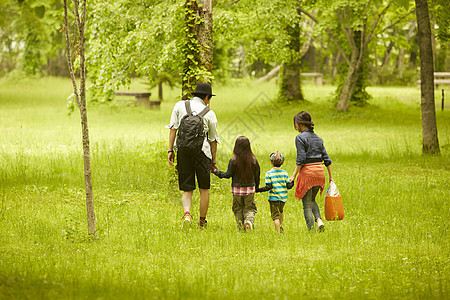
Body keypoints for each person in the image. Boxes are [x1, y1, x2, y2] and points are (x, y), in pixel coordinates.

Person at [167, 83, 220, 229]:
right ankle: (202, 222)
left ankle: (187, 214)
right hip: (202, 153)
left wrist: (170, 150)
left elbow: (173, 129)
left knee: (187, 188)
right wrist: (213, 161)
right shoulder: (209, 113)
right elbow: (213, 141)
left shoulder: (179, 106)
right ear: (207, 97)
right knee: (204, 188)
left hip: (183, 151)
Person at [289, 111, 333, 232]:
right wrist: (330, 177)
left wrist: (293, 175)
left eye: (296, 124)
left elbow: (301, 159)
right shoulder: (319, 139)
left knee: (306, 204)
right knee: (312, 199)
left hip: (308, 173)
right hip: (320, 173)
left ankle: (311, 231)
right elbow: (327, 160)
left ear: (299, 124)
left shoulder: (299, 138)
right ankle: (319, 221)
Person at [212, 136, 260, 231]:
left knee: (238, 209)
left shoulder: (233, 161)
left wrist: (216, 172)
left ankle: (240, 228)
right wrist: (257, 187)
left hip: (237, 190)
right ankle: (249, 221)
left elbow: (227, 174)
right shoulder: (253, 161)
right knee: (249, 208)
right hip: (249, 189)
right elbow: (257, 175)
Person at [256, 152, 294, 233]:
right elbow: (288, 186)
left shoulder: (269, 174)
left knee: (275, 216)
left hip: (273, 198)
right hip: (283, 198)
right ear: (282, 163)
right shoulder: (285, 173)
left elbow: (269, 187)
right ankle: (280, 226)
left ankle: (278, 232)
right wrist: (292, 181)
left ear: (271, 162)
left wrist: (259, 190)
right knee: (280, 212)